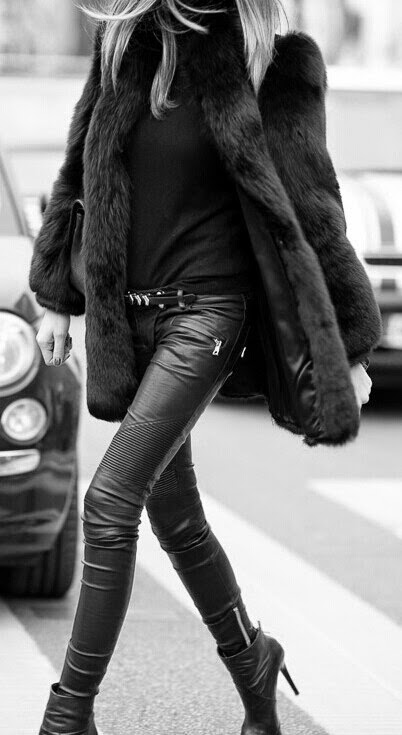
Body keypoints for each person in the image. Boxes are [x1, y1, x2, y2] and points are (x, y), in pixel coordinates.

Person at [29, 0, 380, 733]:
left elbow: (315, 208)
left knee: (109, 500)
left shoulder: (273, 61)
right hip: (134, 319)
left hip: (209, 316)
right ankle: (254, 662)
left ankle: (68, 716)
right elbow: (79, 170)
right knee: (175, 515)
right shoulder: (124, 43)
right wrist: (58, 294)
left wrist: (348, 345)